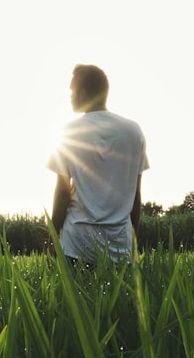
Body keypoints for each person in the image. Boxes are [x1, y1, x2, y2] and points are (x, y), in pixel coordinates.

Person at [47, 64, 149, 265]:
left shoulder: (69, 132)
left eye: (72, 91)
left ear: (83, 93)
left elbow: (62, 192)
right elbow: (136, 195)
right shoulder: (133, 131)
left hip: (77, 244)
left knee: (74, 297)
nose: (69, 96)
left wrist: (52, 238)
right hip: (119, 245)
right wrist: (133, 240)